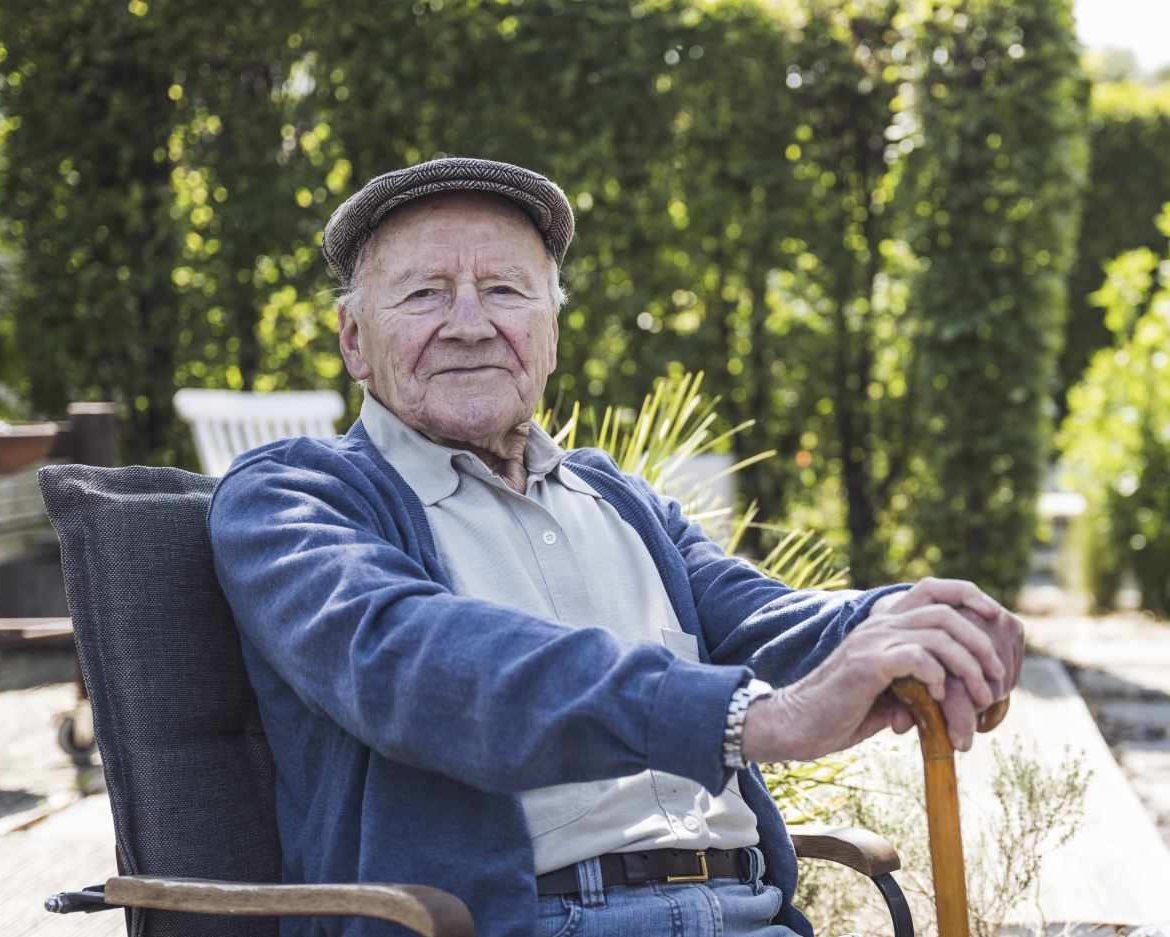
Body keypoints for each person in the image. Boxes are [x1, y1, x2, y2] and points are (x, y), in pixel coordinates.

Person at [207, 156, 1023, 937]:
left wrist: (909, 618)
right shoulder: (293, 496)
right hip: (528, 923)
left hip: (749, 912)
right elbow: (417, 663)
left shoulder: (619, 499)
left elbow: (772, 620)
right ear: (353, 338)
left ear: (550, 332)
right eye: (423, 293)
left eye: (504, 290)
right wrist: (746, 717)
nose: (469, 324)